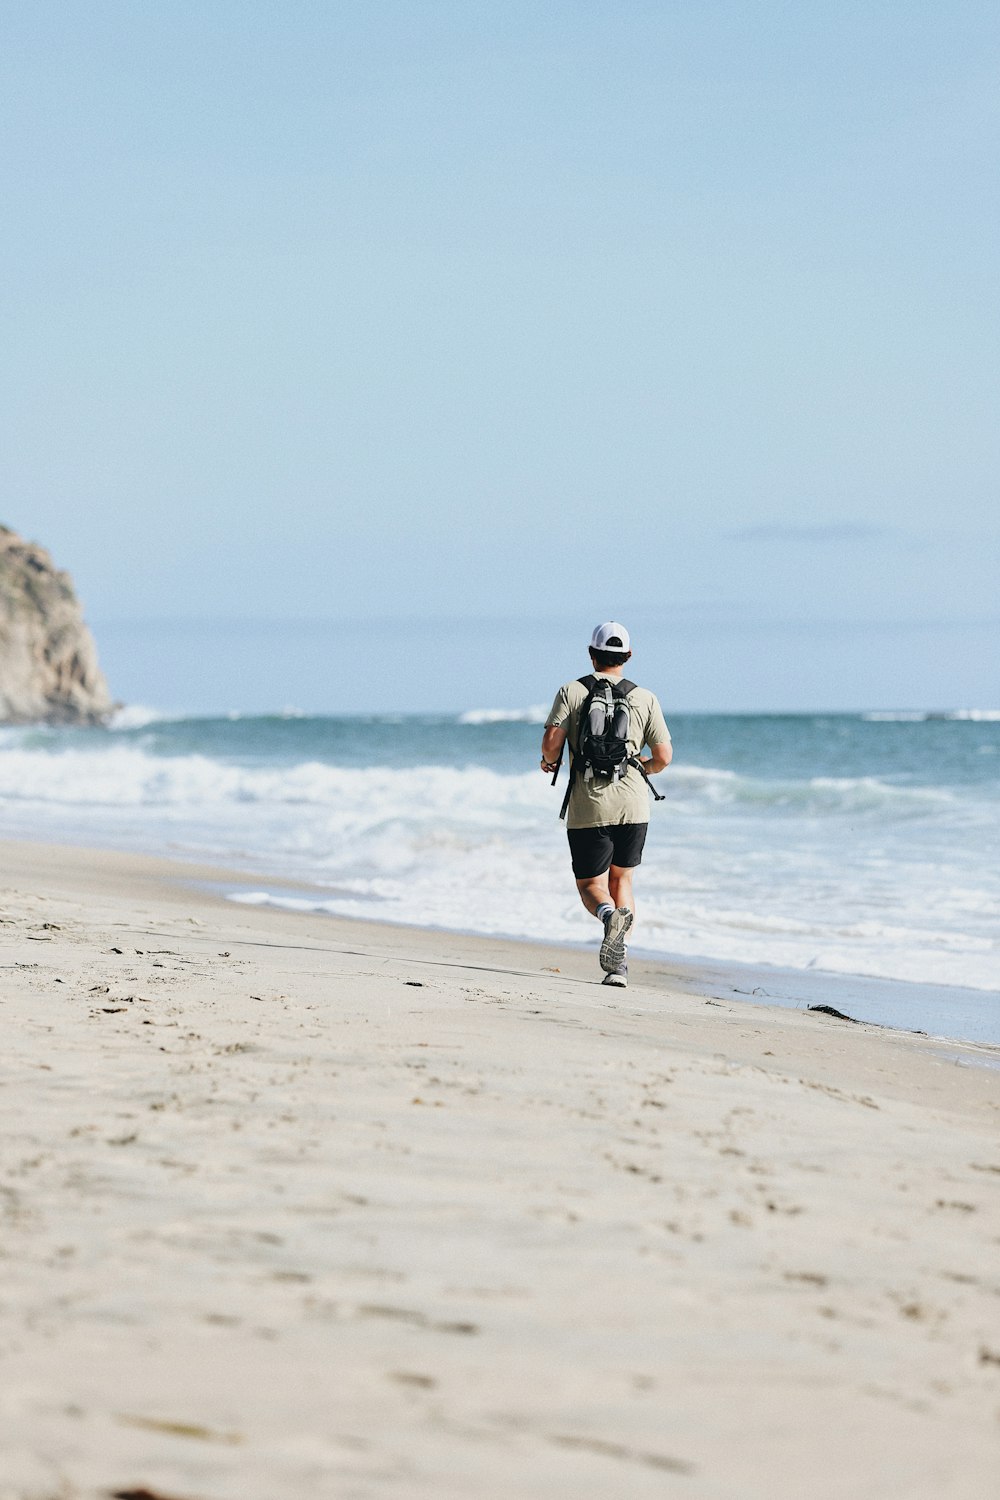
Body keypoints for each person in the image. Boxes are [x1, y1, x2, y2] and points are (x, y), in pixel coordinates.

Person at [540, 621, 671, 988]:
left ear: (591, 654)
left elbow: (552, 742)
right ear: (628, 656)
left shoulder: (572, 690)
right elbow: (663, 756)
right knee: (623, 877)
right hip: (633, 805)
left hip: (589, 805)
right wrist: (639, 767)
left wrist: (550, 761)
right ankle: (619, 966)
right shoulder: (645, 697)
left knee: (590, 884)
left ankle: (607, 914)